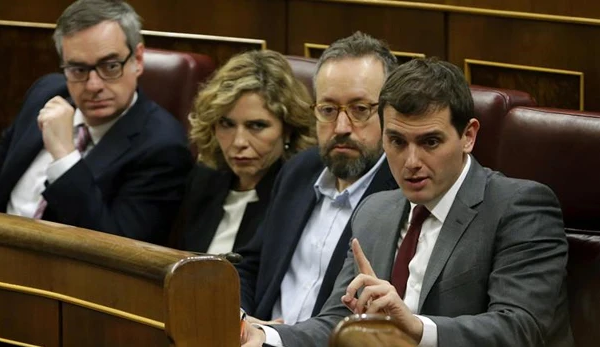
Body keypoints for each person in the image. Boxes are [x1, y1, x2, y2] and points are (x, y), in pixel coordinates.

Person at [242, 58, 574, 347]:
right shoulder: (375, 211)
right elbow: (337, 322)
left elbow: (519, 330)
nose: (411, 161)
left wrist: (413, 327)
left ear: (468, 136)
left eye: (430, 142)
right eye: (397, 141)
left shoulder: (519, 207)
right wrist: (266, 337)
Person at [0, 0, 192, 244]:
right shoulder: (45, 94)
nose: (94, 85)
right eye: (78, 69)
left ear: (138, 59)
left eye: (110, 66)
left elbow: (117, 250)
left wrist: (64, 157)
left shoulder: (164, 148)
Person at [235, 31, 399, 325]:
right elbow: (251, 265)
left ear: (390, 112)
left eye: (360, 109)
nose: (341, 127)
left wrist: (276, 338)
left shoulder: (401, 195)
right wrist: (243, 320)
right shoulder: (299, 171)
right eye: (327, 109)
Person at [172, 49, 316, 254]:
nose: (239, 142)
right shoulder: (204, 180)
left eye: (256, 126)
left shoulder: (297, 198)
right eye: (226, 124)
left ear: (288, 130)